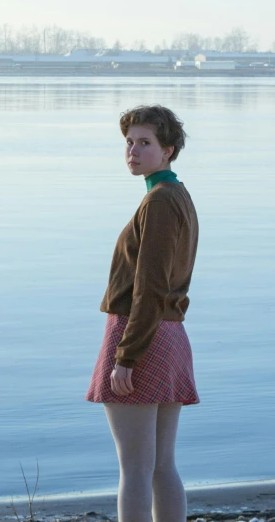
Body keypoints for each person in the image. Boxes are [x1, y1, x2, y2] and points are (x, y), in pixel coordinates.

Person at [86, 104, 199, 522]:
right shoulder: (178, 196)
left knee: (134, 469)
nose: (133, 151)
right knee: (160, 466)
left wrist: (126, 357)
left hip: (139, 336)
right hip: (169, 336)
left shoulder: (159, 202)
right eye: (129, 143)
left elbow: (149, 287)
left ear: (168, 149)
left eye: (145, 143)